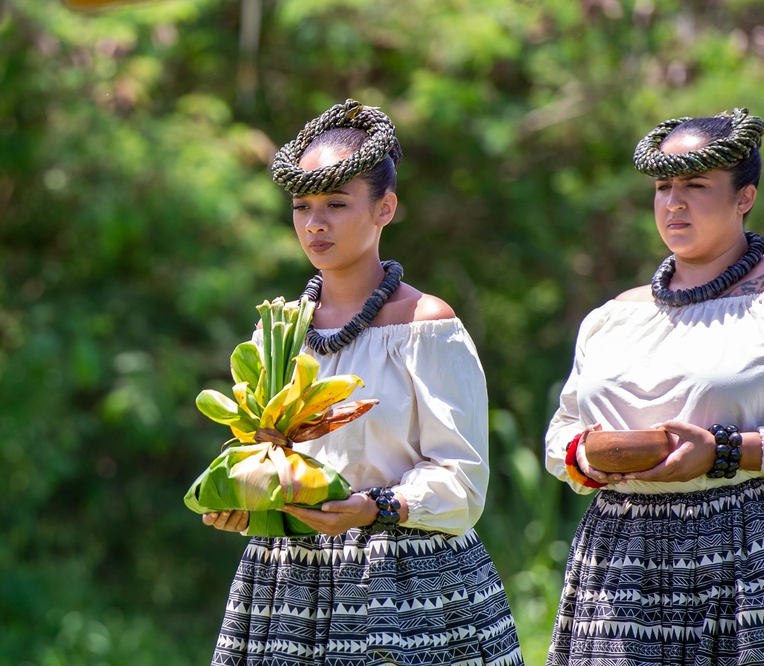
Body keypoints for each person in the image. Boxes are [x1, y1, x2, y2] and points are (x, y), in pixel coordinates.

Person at [544, 108, 764, 666]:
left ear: (743, 197)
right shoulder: (612, 317)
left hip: (759, 550)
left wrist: (726, 451)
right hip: (621, 564)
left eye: (696, 186)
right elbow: (564, 430)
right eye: (663, 186)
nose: (673, 203)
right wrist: (584, 457)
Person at [201, 99, 524, 666]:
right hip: (287, 587)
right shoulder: (279, 328)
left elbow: (464, 482)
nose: (314, 223)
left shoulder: (427, 326)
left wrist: (375, 507)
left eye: (336, 204)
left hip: (410, 584)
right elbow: (268, 456)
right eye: (302, 206)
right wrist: (247, 501)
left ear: (385, 209)